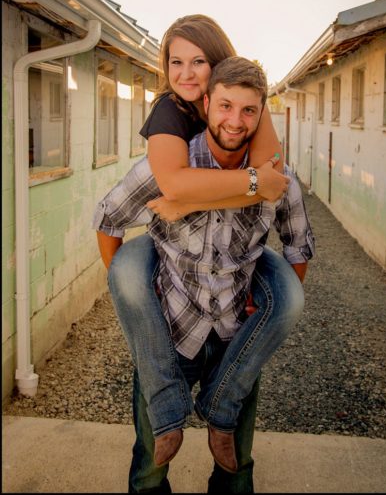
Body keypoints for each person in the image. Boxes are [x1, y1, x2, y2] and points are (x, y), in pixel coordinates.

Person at [94, 57, 315, 492]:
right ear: (207, 102)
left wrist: (267, 306)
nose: (236, 121)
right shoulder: (166, 172)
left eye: (249, 110)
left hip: (236, 338)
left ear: (260, 114)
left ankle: (221, 410)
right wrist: (138, 294)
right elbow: (108, 218)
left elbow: (298, 244)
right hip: (172, 331)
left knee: (236, 468)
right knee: (149, 467)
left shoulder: (277, 179)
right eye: (226, 106)